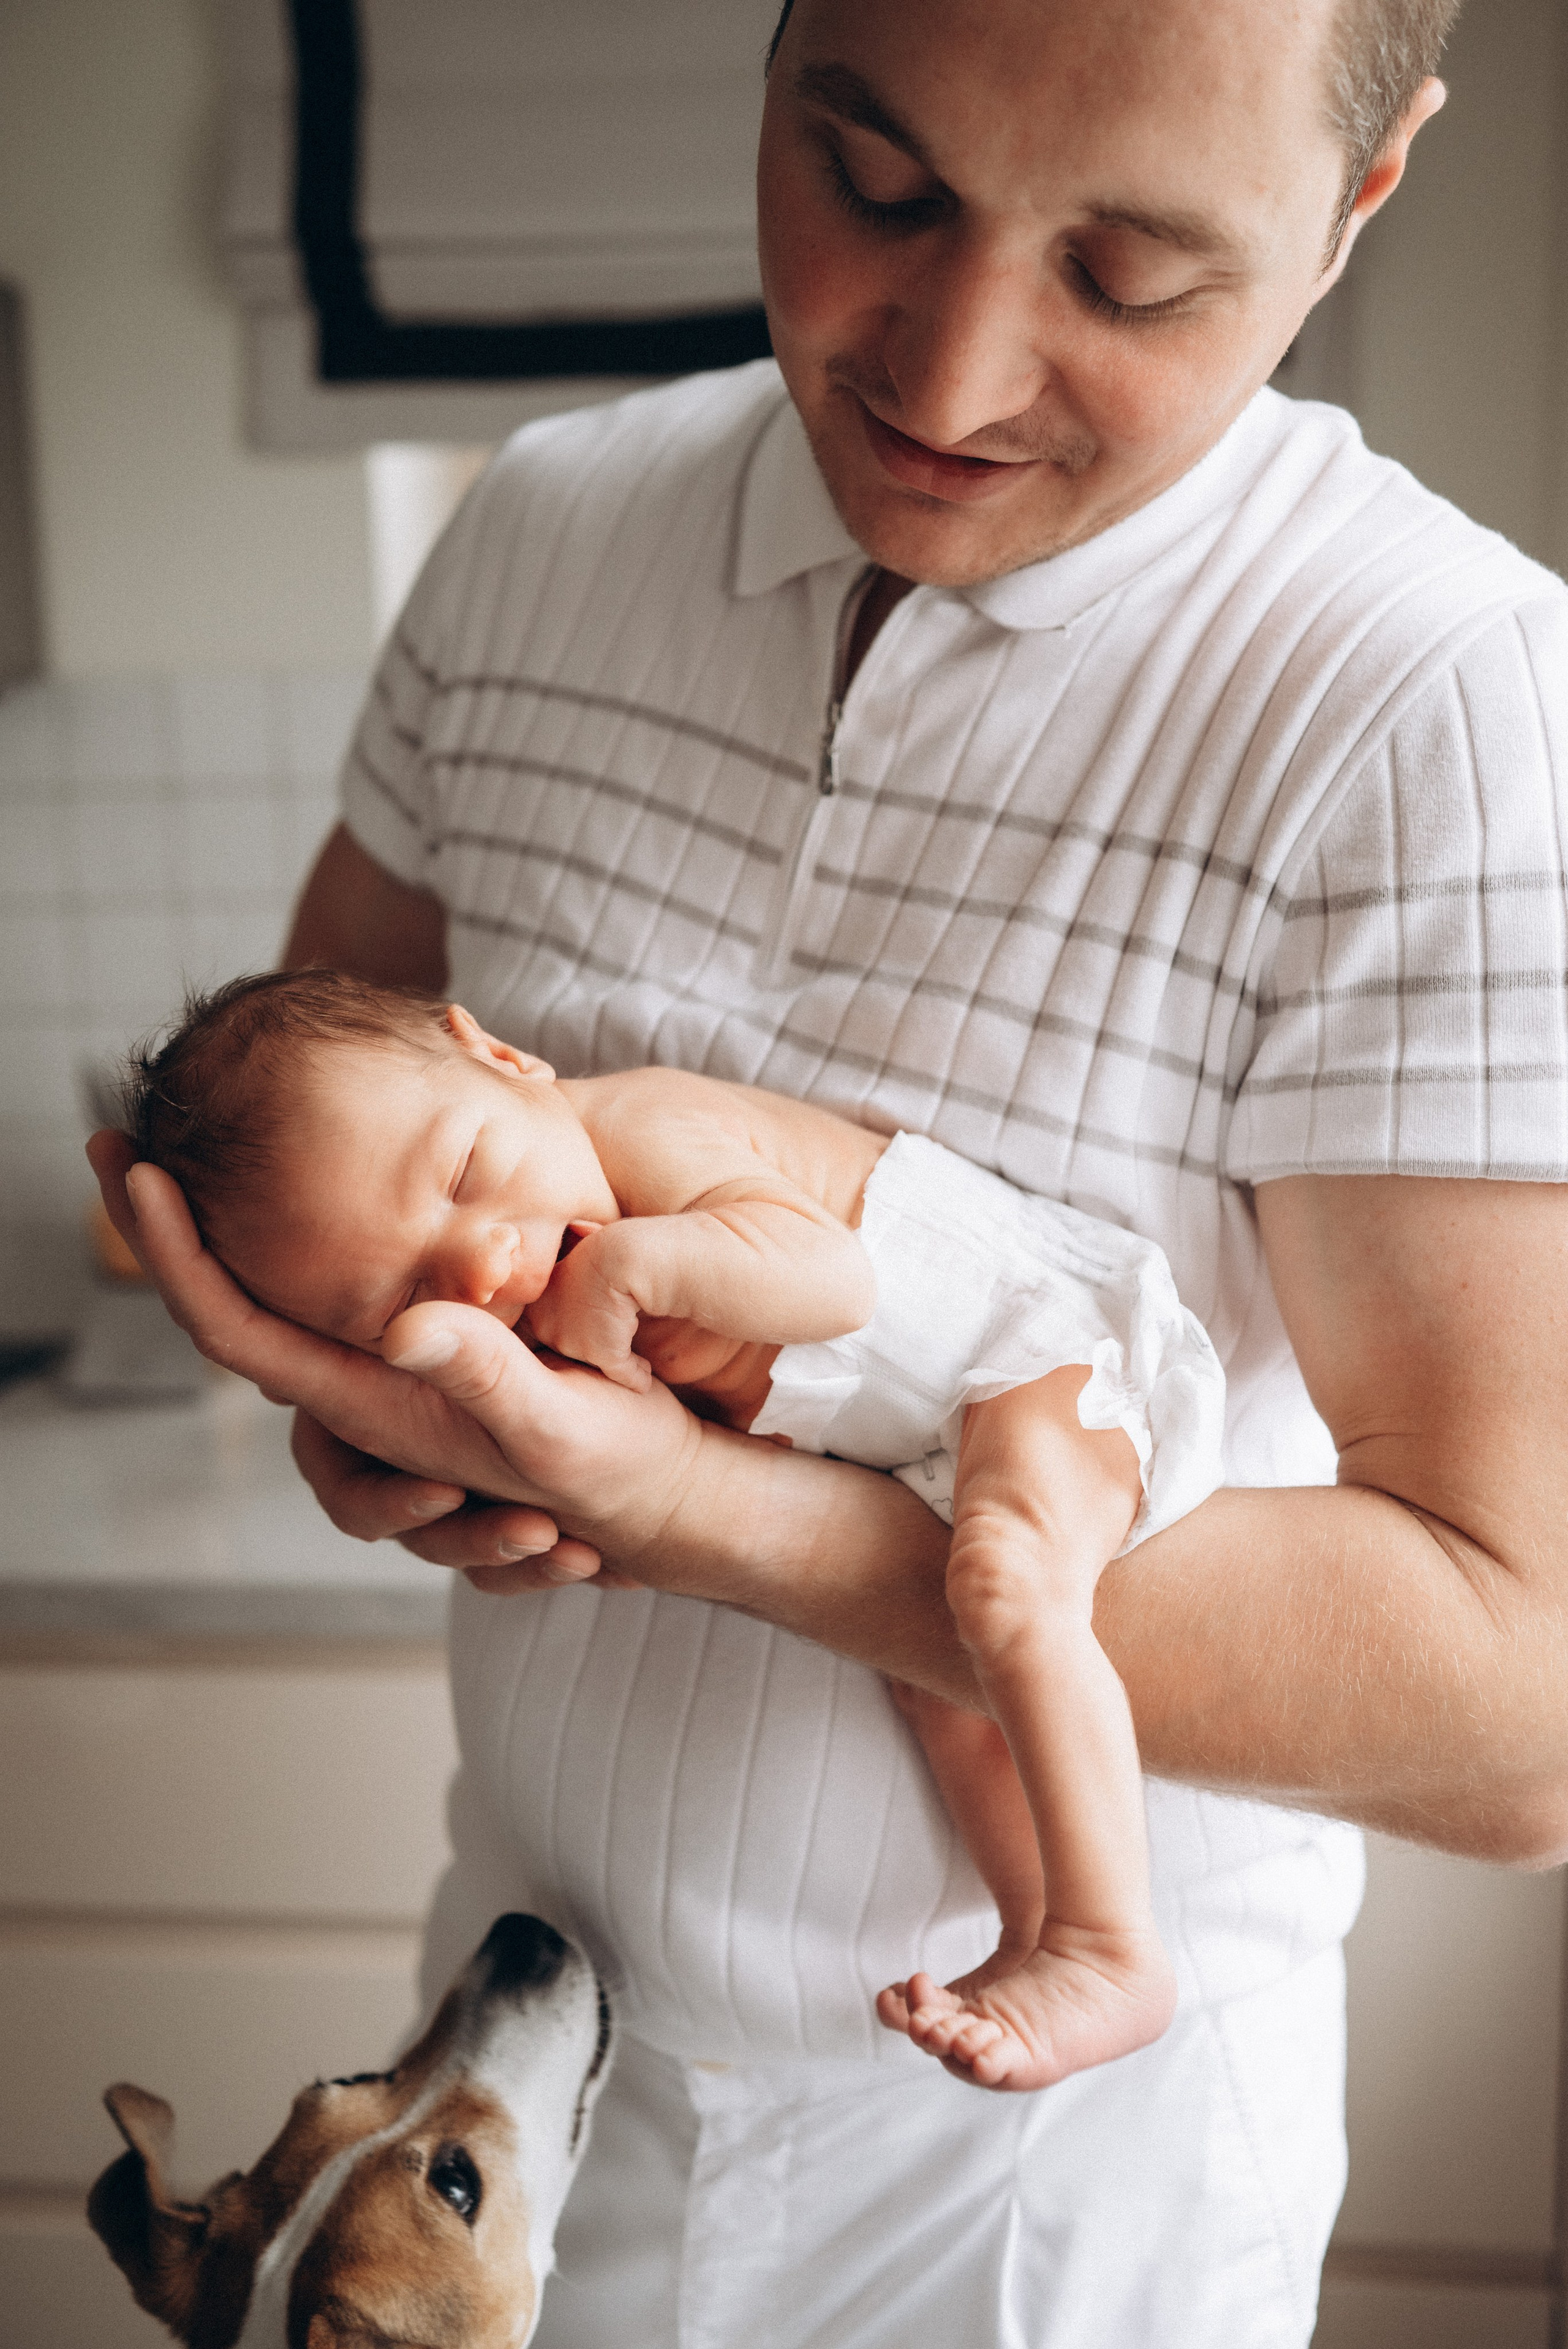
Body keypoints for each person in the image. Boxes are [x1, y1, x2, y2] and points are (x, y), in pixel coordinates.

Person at [90, 0, 1568, 2340]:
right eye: (872, 183)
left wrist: (700, 1515)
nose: (953, 373)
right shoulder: (541, 531)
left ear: (1361, 195)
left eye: (1135, 275)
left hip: (1045, 2201)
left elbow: (1521, 1697)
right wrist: (378, 1429)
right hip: (504, 2092)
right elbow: (322, 1134)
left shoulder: (1434, 696)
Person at [123, 968, 1229, 2089]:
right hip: (945, 1443)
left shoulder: (644, 1128)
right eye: (406, 1296)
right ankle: (1036, 1929)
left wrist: (629, 1270)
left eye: (467, 1172)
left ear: (503, 1057)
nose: (483, 1265)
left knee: (1005, 1589)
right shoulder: (520, 1289)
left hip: (1053, 1346)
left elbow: (833, 1284)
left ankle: (1112, 1949)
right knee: (946, 1692)